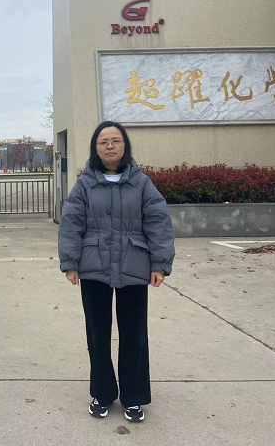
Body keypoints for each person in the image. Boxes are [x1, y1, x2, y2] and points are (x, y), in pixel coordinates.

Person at [58, 121, 175, 423]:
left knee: (134, 333)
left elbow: (158, 222)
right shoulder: (85, 184)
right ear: (95, 148)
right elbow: (71, 223)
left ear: (125, 146)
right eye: (103, 141)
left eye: (116, 140)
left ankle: (133, 397)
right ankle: (102, 393)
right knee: (97, 333)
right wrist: (70, 262)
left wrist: (160, 264)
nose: (110, 146)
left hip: (133, 265)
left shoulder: (141, 183)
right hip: (93, 267)